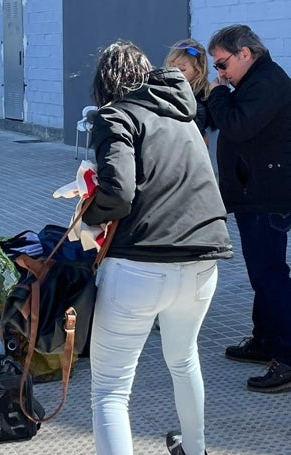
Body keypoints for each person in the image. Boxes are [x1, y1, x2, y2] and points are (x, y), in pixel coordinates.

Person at [83, 41, 232, 455]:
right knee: (184, 360)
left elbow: (119, 193)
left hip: (140, 262)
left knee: (111, 390)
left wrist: (86, 214)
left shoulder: (116, 116)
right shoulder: (184, 116)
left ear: (106, 83)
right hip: (204, 259)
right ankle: (196, 448)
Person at [206, 24, 291, 394]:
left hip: (266, 197)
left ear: (246, 53)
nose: (219, 74)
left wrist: (219, 94)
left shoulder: (267, 82)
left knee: (270, 275)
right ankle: (264, 340)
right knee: (263, 274)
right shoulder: (256, 80)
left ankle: (287, 358)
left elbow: (238, 126)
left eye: (222, 64)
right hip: (254, 193)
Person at [164, 39, 213, 146]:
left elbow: (192, 128)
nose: (175, 73)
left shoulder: (202, 97)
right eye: (172, 68)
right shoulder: (162, 89)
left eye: (182, 69)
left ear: (198, 71)